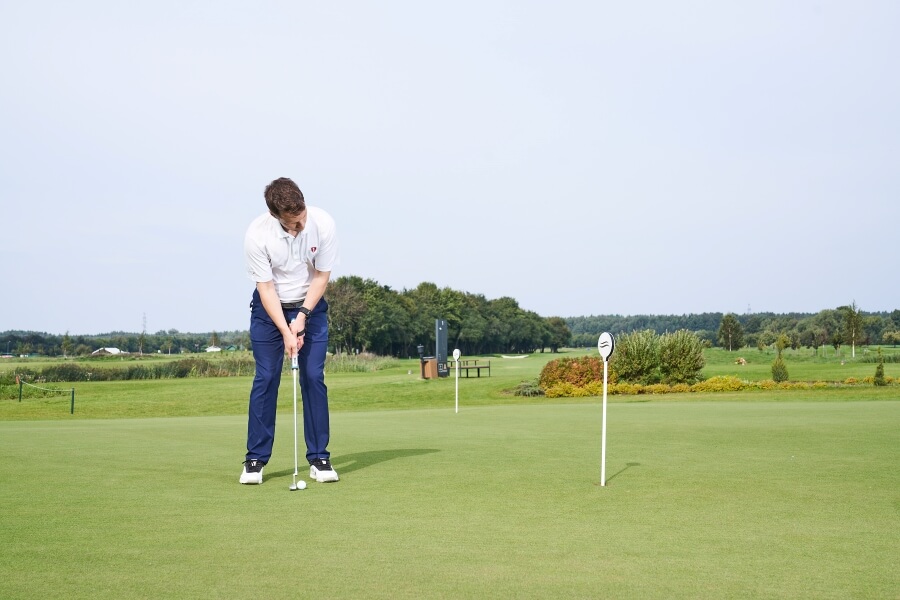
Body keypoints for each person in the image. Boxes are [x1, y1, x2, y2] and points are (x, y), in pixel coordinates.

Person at [240, 177, 340, 485]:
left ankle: (319, 458)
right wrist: (286, 330)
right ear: (275, 216)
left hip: (310, 304)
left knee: (312, 376)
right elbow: (266, 287)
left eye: (300, 221)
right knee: (267, 377)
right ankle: (255, 459)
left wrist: (303, 317)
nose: (298, 228)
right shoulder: (257, 235)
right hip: (269, 310)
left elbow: (322, 276)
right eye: (290, 225)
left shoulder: (323, 223)